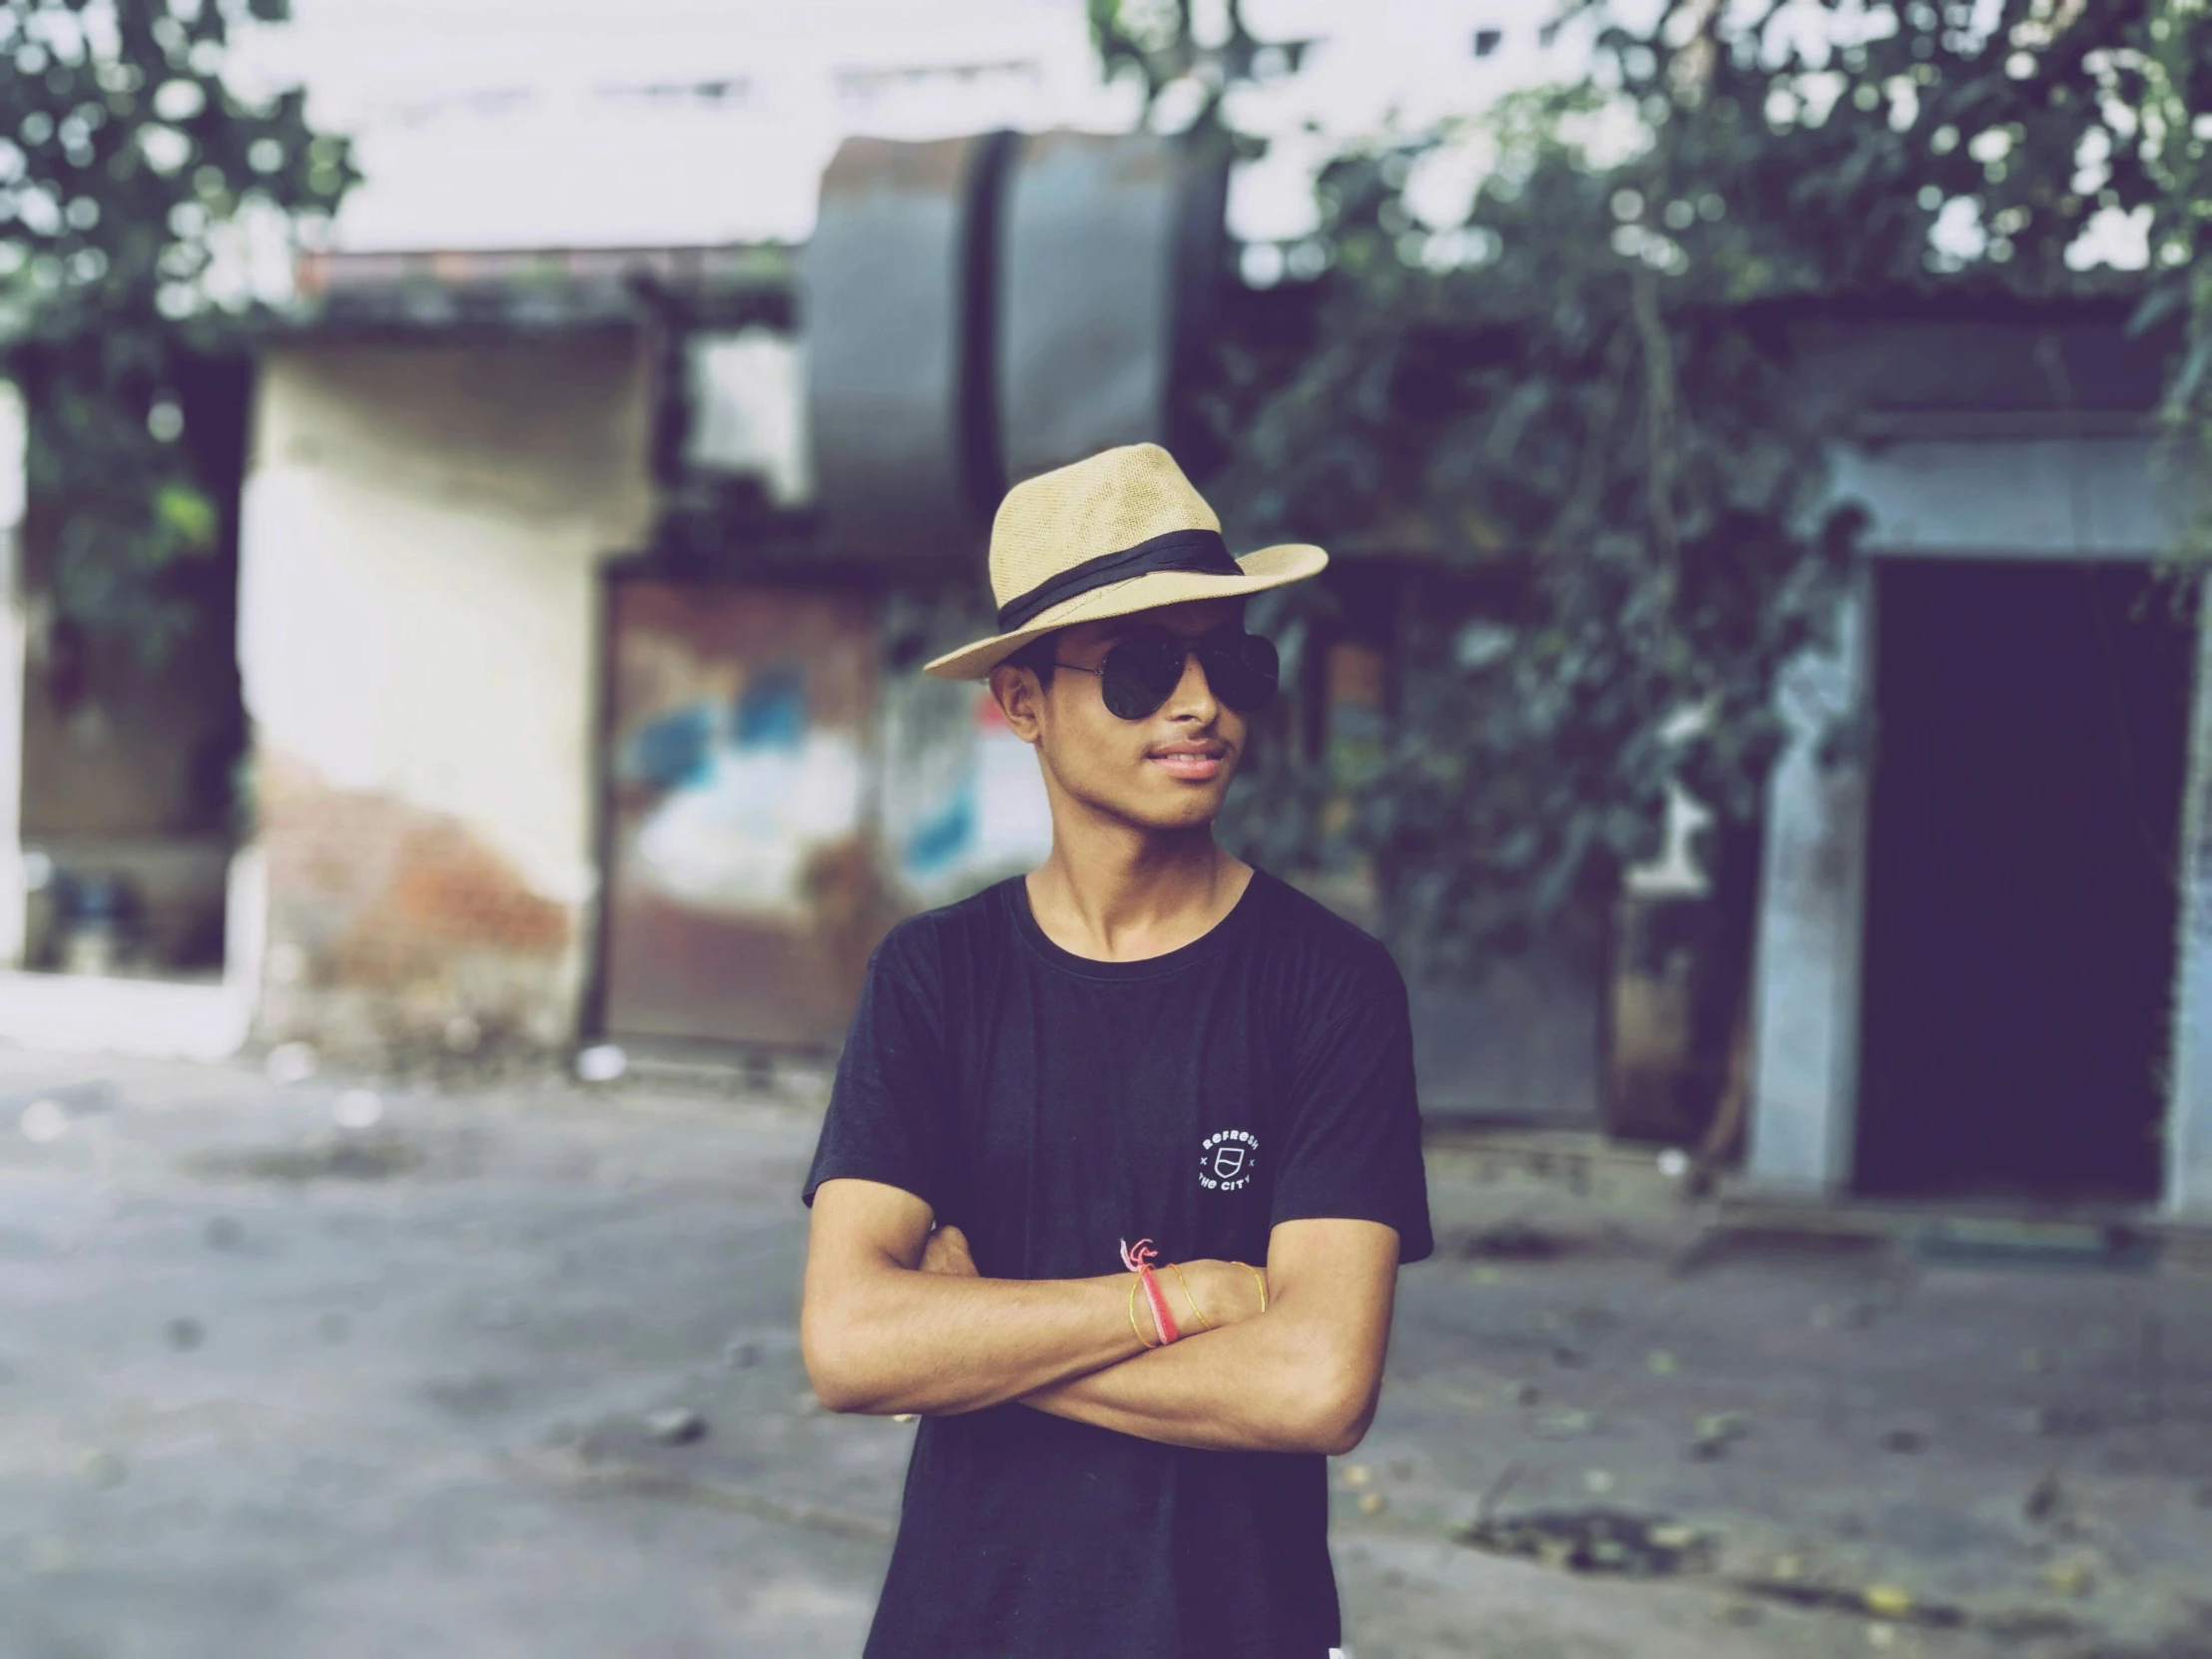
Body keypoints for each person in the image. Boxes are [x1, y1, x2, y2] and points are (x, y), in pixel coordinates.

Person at [800, 442, 1432, 1659]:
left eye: (1233, 661)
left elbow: (1313, 1385)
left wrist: (969, 1335)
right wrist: (1182, 1297)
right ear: (1022, 702)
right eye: (1141, 668)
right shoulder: (935, 978)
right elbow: (848, 1345)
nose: (1200, 703)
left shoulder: (1329, 988)